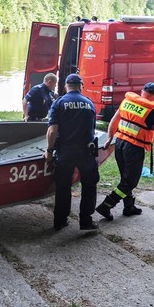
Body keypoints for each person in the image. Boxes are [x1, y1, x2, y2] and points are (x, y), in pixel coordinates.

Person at [95, 82, 154, 221]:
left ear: (142, 91)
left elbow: (114, 121)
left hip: (119, 144)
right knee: (130, 182)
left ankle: (129, 207)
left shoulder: (127, 102)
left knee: (126, 178)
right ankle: (106, 205)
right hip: (134, 148)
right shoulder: (151, 112)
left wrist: (109, 139)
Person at [44, 74, 100, 231]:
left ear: (65, 86)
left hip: (66, 152)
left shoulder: (59, 103)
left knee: (63, 187)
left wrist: (49, 151)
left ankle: (60, 221)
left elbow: (52, 131)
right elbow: (92, 129)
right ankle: (86, 221)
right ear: (81, 86)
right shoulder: (89, 103)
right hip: (86, 152)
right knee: (89, 186)